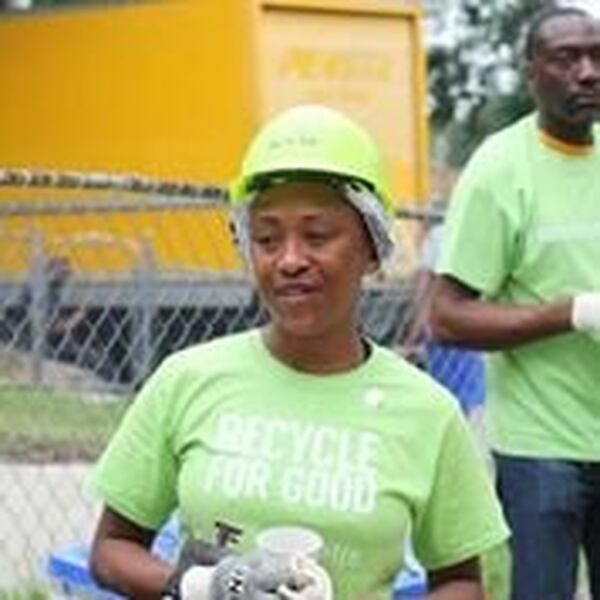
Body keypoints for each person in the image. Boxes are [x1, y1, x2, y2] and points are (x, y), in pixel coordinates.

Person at [89, 104, 508, 600]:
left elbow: (460, 582)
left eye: (318, 235)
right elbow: (111, 548)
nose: (289, 260)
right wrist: (206, 586)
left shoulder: (428, 412)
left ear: (372, 248)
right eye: (267, 239)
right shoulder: (187, 379)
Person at [429, 7, 600, 600]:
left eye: (597, 56)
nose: (587, 72)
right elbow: (445, 315)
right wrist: (570, 313)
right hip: (541, 447)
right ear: (532, 75)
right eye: (566, 58)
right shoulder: (500, 170)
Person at [403, 221, 485, 416]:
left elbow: (424, 283)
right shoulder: (446, 234)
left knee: (451, 392)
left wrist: (419, 326)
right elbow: (425, 281)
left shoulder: (442, 234)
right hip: (461, 325)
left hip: (453, 325)